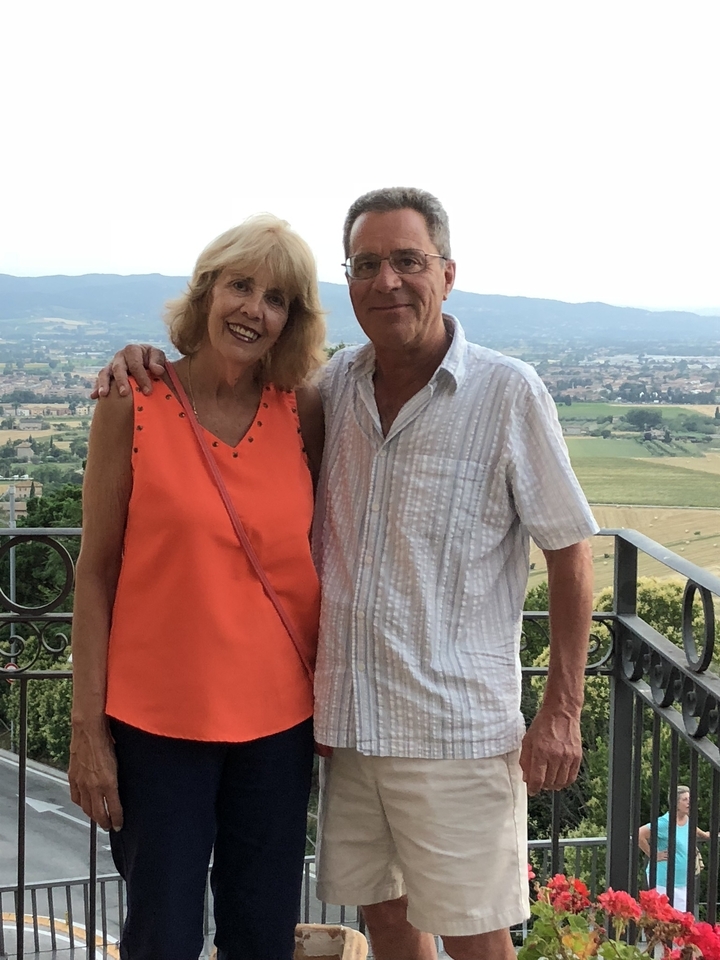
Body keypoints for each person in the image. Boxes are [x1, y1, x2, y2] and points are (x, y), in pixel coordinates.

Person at [96, 187, 598, 960]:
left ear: (447, 272)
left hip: (444, 730)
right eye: (368, 264)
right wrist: (140, 355)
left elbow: (570, 551)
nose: (388, 280)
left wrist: (562, 709)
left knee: (468, 935)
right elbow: (115, 558)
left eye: (408, 261)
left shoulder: (496, 392)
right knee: (381, 921)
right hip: (347, 729)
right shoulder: (331, 391)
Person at [69, 214, 326, 960]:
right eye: (240, 285)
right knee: (163, 938)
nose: (254, 308)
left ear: (290, 320)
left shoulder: (302, 410)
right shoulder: (134, 400)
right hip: (157, 729)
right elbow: (96, 573)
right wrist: (89, 731)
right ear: (207, 292)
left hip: (279, 728)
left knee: (262, 936)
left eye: (275, 298)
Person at [638, 785, 711, 912]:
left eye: (690, 798)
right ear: (675, 803)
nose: (689, 802)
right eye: (685, 799)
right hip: (663, 880)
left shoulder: (687, 819)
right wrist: (653, 855)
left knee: (681, 921)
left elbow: (691, 827)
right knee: (663, 919)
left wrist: (704, 835)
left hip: (683, 880)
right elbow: (639, 834)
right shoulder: (664, 823)